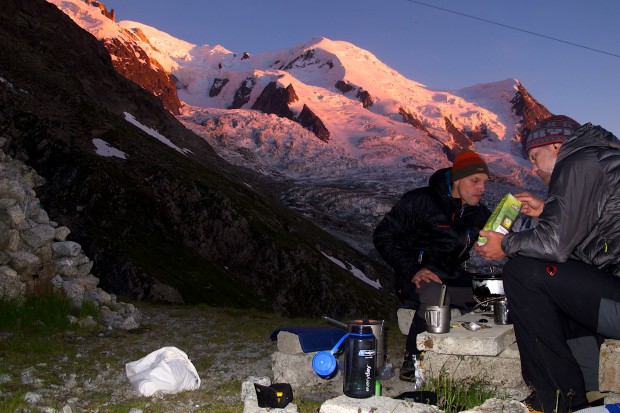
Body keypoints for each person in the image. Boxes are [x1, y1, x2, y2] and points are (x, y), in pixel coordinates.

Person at [476, 115, 620, 413]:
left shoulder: (580, 162)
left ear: (555, 146)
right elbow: (589, 248)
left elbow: (555, 246)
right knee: (559, 277)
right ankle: (586, 389)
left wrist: (504, 245)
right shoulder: (599, 158)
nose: (533, 167)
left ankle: (555, 397)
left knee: (524, 271)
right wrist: (546, 214)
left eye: (534, 156)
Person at [373, 149, 491, 381]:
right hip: (415, 279)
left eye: (485, 182)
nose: (482, 188)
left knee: (497, 291)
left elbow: (496, 238)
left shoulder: (476, 212)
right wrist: (413, 269)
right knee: (437, 295)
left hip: (453, 277)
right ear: (457, 179)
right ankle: (413, 359)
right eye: (475, 181)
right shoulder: (421, 201)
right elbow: (383, 236)